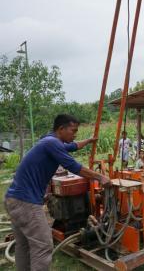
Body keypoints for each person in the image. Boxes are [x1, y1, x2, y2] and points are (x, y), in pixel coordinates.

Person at [4, 114, 112, 271]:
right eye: (73, 130)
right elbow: (74, 166)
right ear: (61, 129)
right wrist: (100, 177)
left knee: (24, 245)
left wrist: (89, 140)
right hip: (26, 202)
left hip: (13, 199)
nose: (75, 134)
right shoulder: (52, 143)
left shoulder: (50, 141)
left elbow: (74, 145)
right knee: (43, 245)